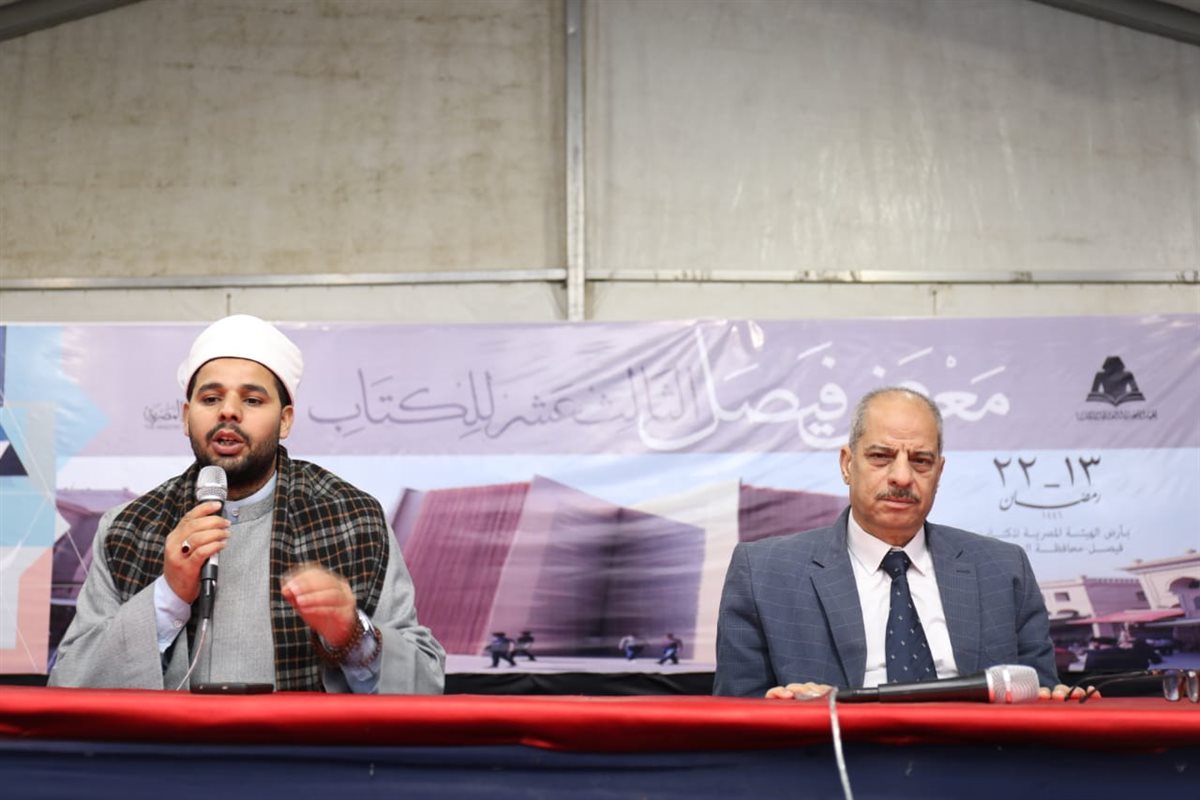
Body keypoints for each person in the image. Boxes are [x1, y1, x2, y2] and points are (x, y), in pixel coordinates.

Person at [49, 315, 446, 694]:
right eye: (211, 398)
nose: (228, 411)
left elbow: (425, 686)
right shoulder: (129, 527)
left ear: (285, 420)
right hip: (171, 744)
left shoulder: (353, 517)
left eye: (253, 400)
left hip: (301, 744)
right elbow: (69, 684)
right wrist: (167, 596)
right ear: (186, 417)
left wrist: (351, 635)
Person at [714, 386, 1080, 701]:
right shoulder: (764, 573)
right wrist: (790, 710)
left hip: (974, 756)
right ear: (847, 464)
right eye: (881, 457)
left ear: (939, 472)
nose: (902, 477)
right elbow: (734, 718)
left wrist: (1057, 697)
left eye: (920, 461)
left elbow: (1042, 696)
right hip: (832, 756)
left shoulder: (1003, 568)